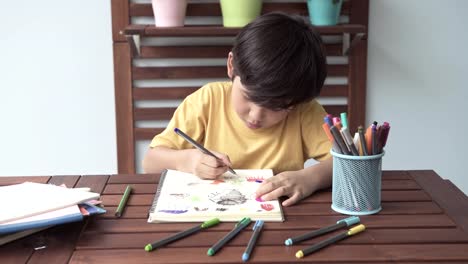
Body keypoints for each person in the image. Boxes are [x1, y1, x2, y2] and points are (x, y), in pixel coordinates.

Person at [142, 12, 333, 207]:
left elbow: (351, 164)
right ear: (231, 65)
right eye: (248, 97)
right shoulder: (208, 100)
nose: (256, 115)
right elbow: (150, 162)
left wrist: (311, 178)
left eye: (276, 107)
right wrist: (188, 161)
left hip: (281, 219)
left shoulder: (304, 111)